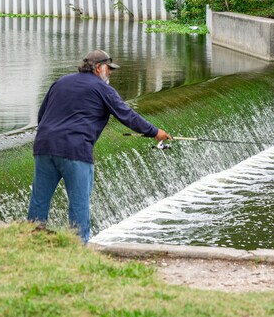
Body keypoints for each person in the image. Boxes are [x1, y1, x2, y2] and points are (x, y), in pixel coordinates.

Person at [27, 50, 171, 242]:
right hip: (75, 151)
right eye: (108, 69)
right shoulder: (103, 90)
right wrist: (155, 132)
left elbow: (42, 114)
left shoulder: (60, 82)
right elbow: (127, 115)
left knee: (39, 200)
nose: (110, 73)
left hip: (44, 146)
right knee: (79, 204)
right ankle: (79, 248)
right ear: (97, 68)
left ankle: (31, 241)